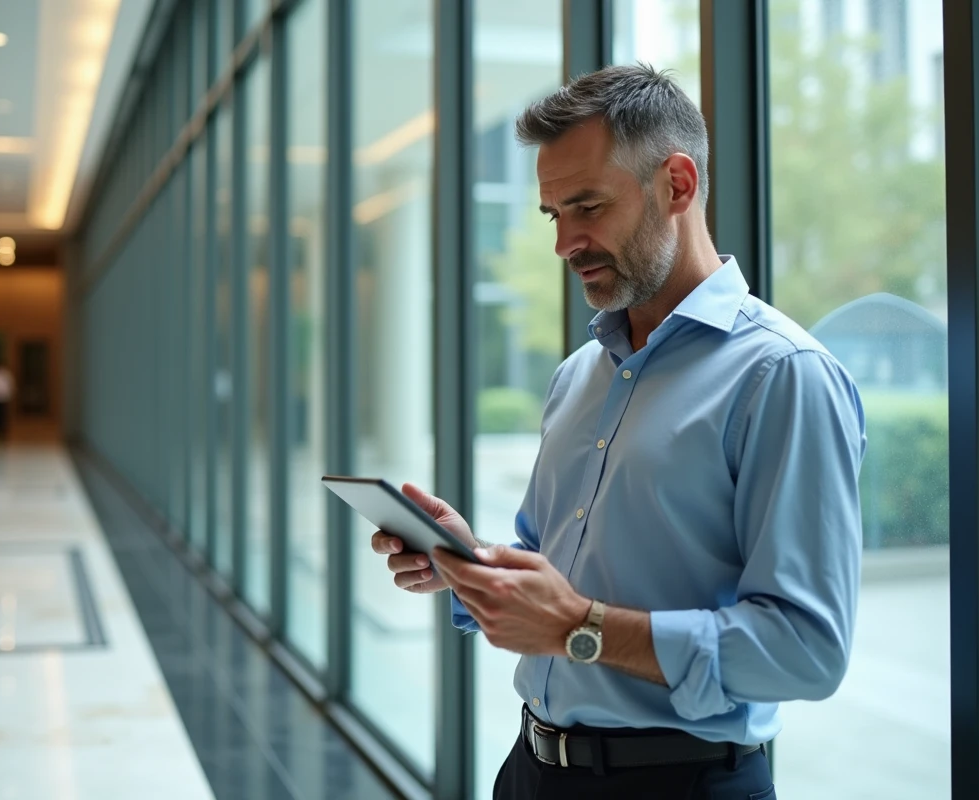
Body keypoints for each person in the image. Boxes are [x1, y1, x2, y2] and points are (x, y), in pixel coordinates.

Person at [370, 64, 865, 800]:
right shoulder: (579, 375)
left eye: (588, 207)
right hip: (530, 770)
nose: (566, 242)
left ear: (678, 184)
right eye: (553, 215)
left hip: (680, 784)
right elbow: (548, 564)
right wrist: (467, 561)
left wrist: (579, 625)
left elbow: (805, 653)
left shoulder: (784, 375)